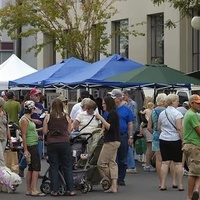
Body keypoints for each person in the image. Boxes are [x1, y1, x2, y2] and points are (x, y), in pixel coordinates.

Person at [43, 98, 76, 196]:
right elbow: (69, 131)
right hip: (64, 143)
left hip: (52, 143)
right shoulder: (66, 116)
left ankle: (54, 190)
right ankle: (71, 189)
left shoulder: (48, 117)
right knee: (67, 166)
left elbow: (45, 131)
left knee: (54, 166)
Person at [107, 89, 134, 186]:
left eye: (113, 97)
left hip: (123, 136)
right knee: (112, 159)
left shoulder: (126, 109)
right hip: (111, 136)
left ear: (118, 98)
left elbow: (130, 123)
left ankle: (121, 178)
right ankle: (114, 178)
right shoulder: (109, 110)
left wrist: (130, 136)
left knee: (122, 158)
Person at [158, 94, 184, 191]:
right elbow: (179, 128)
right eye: (177, 101)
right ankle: (180, 185)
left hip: (164, 139)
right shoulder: (177, 114)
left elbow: (158, 128)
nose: (178, 102)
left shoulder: (162, 113)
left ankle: (163, 184)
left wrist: (164, 132)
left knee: (165, 162)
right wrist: (183, 140)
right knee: (178, 163)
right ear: (173, 102)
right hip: (175, 139)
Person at [19, 100, 45, 196]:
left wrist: (36, 134)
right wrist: (25, 149)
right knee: (36, 167)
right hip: (31, 145)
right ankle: (34, 189)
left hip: (33, 142)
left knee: (31, 168)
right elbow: (24, 134)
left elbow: (30, 131)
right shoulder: (24, 120)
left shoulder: (27, 119)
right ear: (31, 109)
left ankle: (29, 189)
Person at [96, 96, 120, 193]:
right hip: (115, 140)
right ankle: (114, 185)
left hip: (111, 141)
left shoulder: (112, 114)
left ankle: (113, 181)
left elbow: (110, 127)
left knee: (101, 163)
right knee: (112, 163)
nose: (102, 105)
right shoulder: (113, 113)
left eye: (104, 103)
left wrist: (100, 118)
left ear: (108, 104)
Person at [182, 94, 200, 200]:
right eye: (197, 103)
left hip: (192, 145)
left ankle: (196, 191)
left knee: (197, 171)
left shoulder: (192, 114)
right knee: (193, 172)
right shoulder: (192, 115)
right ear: (191, 103)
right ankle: (190, 195)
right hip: (194, 145)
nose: (199, 105)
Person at [147, 93, 167, 187]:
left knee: (158, 160)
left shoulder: (153, 111)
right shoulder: (167, 111)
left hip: (156, 136)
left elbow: (148, 127)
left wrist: (154, 133)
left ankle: (160, 181)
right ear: (164, 101)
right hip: (167, 136)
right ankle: (168, 181)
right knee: (167, 160)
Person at [123, 89, 137, 174]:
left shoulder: (132, 104)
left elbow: (133, 116)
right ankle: (129, 164)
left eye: (123, 96)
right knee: (129, 146)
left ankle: (132, 166)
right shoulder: (127, 104)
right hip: (128, 127)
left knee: (129, 146)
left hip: (131, 127)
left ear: (126, 96)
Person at [0, 97, 12, 167]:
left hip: (4, 137)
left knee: (1, 155)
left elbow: (7, 127)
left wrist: (10, 139)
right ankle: (3, 173)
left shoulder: (5, 113)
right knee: (1, 157)